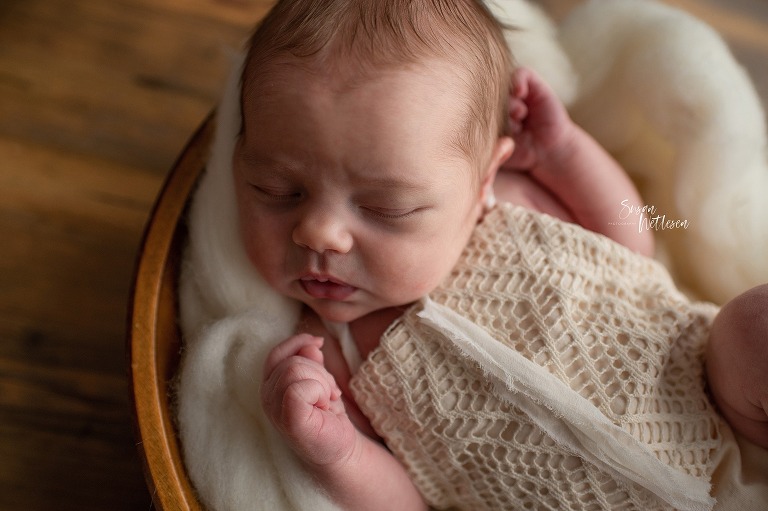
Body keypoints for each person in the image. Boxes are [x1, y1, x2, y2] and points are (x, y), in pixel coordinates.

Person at [228, 0, 768, 509]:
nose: (319, 233)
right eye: (277, 191)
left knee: (754, 325)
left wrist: (563, 153)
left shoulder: (515, 204)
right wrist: (338, 451)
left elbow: (632, 236)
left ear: (482, 179)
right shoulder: (328, 357)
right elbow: (406, 499)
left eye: (386, 207)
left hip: (716, 401)